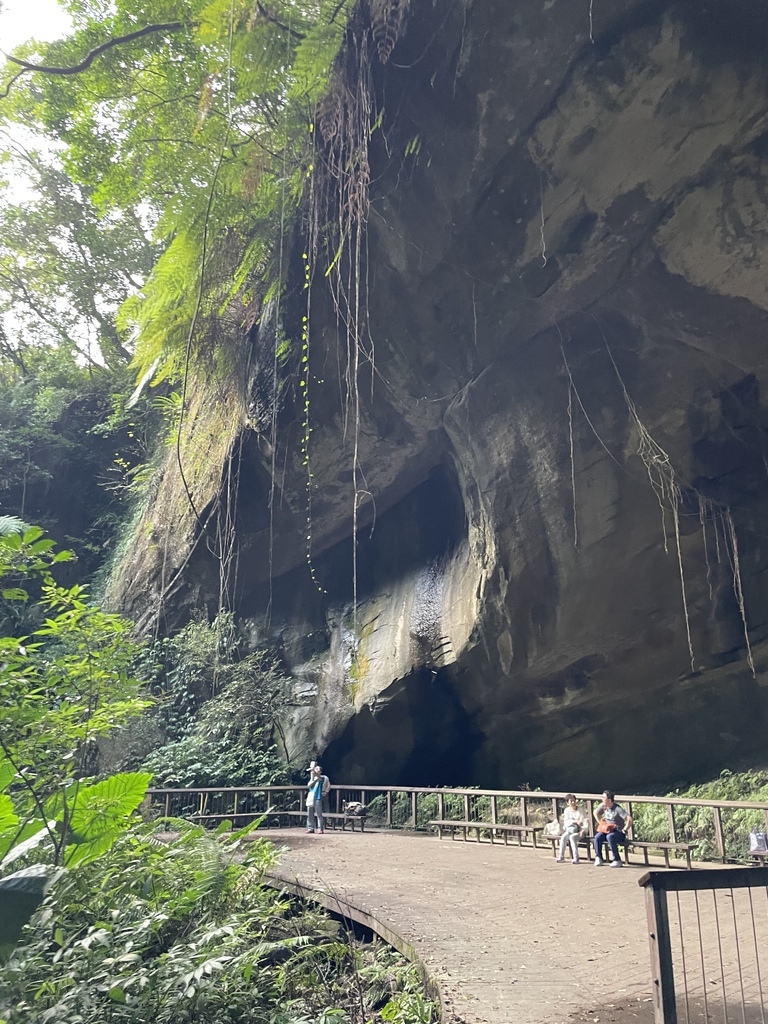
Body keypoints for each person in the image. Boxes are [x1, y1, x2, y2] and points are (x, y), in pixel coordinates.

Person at [593, 789, 632, 867]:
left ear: (609, 800)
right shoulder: (603, 806)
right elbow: (595, 812)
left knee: (610, 837)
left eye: (604, 798)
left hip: (618, 831)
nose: (602, 799)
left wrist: (625, 829)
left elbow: (629, 819)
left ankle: (617, 859)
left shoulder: (617, 809)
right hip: (607, 830)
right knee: (597, 837)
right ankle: (598, 857)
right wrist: (600, 822)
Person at [556, 793, 588, 863]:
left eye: (574, 800)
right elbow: (566, 822)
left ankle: (576, 857)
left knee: (572, 837)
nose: (573, 802)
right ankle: (561, 856)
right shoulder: (567, 810)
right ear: (567, 803)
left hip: (580, 831)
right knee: (564, 836)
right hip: (570, 830)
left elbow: (585, 821)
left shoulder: (580, 810)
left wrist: (583, 830)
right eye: (571, 801)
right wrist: (575, 821)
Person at [305, 763, 331, 834]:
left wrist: (315, 774)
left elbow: (319, 779)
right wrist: (313, 778)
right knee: (309, 813)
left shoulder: (323, 778)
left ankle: (320, 828)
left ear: (320, 771)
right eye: (315, 769)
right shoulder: (312, 779)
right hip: (311, 797)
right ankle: (310, 828)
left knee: (319, 814)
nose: (316, 771)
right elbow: (309, 785)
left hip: (317, 797)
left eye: (317, 769)